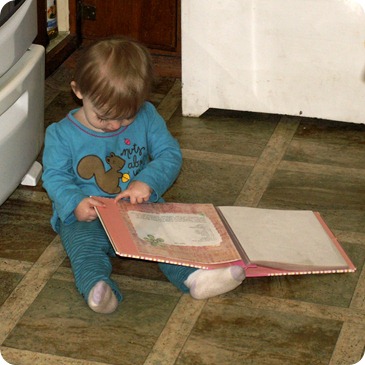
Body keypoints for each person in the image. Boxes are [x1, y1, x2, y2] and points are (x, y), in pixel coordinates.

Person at [42, 37, 245, 314]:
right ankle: (97, 289)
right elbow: (54, 176)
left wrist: (146, 181)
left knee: (168, 240)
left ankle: (197, 277)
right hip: (86, 215)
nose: (115, 125)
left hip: (140, 208)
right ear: (78, 91)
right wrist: (74, 202)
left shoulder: (147, 116)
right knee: (84, 249)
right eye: (103, 117)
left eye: (126, 117)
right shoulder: (61, 133)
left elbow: (169, 154)